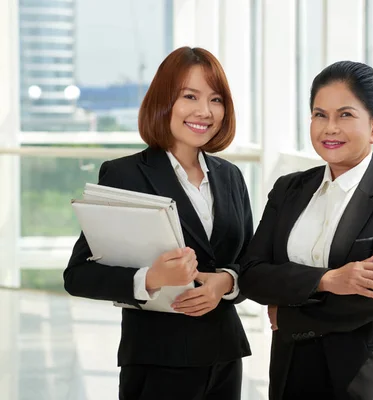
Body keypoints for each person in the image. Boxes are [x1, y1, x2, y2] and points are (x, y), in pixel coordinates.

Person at [64, 47, 253, 400]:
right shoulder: (124, 174)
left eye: (215, 99)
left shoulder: (231, 177)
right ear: (164, 101)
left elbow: (251, 261)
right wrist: (149, 279)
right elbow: (78, 275)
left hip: (225, 356)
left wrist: (226, 282)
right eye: (190, 96)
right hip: (157, 359)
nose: (204, 111)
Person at [239, 61, 373, 400]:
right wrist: (327, 280)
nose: (330, 128)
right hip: (295, 376)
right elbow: (253, 275)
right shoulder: (288, 190)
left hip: (372, 381)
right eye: (319, 115)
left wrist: (288, 314)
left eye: (345, 115)